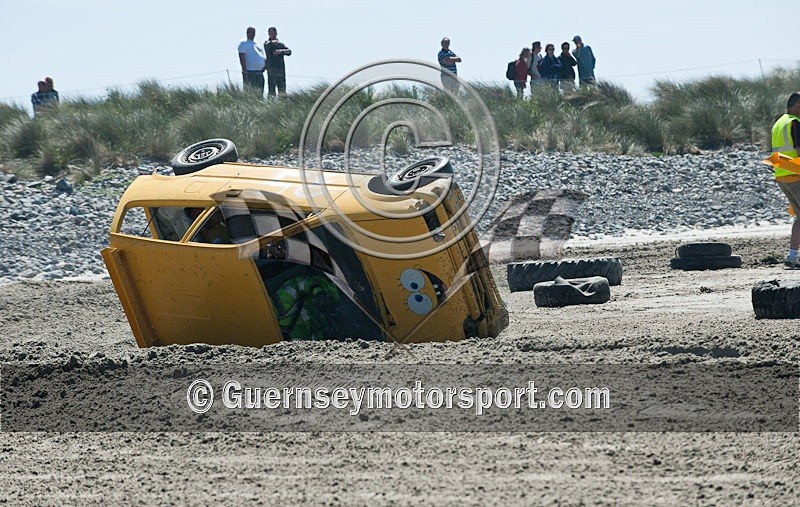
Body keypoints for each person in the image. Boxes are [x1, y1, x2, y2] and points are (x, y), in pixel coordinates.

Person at [771, 92, 800, 267]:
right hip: (796, 173)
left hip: (781, 174)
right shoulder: (795, 123)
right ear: (797, 106)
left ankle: (792, 255)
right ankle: (792, 255)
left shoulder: (779, 123)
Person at [263, 26, 292, 99]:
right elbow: (270, 47)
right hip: (272, 69)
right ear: (268, 34)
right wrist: (280, 49)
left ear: (276, 33)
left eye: (274, 32)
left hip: (280, 69)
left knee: (282, 89)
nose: (272, 34)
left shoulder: (280, 44)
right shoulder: (267, 43)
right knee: (272, 89)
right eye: (271, 32)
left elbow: (289, 52)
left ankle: (282, 105)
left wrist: (280, 51)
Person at [238, 26, 266, 95]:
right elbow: (242, 56)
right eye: (250, 32)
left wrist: (264, 65)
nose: (252, 34)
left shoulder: (256, 44)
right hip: (250, 71)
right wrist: (244, 69)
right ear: (247, 33)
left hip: (259, 71)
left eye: (253, 32)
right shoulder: (244, 43)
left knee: (260, 91)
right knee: (250, 91)